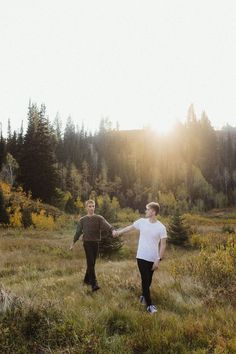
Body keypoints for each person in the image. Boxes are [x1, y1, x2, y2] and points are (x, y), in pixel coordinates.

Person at [112, 202, 167, 314]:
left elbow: (163, 245)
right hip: (141, 256)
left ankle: (143, 296)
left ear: (153, 211)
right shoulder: (141, 222)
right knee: (145, 279)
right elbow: (130, 228)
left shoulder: (161, 227)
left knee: (149, 280)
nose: (146, 211)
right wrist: (118, 232)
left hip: (153, 258)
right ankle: (150, 306)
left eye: (147, 209)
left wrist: (158, 259)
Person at [70, 199, 114, 292]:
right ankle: (94, 284)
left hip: (95, 243)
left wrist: (113, 230)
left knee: (92, 263)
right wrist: (73, 243)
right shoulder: (83, 220)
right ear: (86, 208)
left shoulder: (99, 218)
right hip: (87, 243)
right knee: (90, 262)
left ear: (94, 207)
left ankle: (86, 280)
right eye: (89, 206)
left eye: (93, 206)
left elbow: (107, 225)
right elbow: (78, 232)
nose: (91, 208)